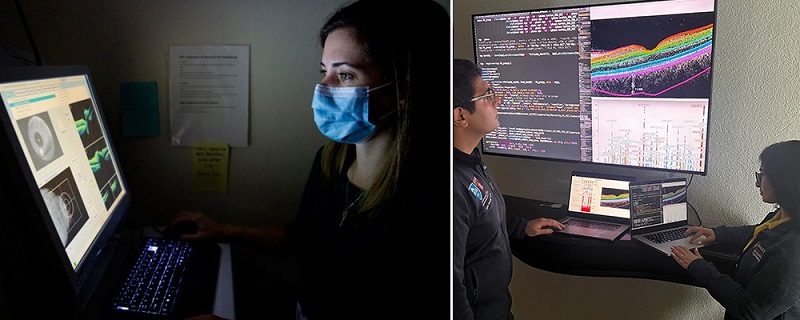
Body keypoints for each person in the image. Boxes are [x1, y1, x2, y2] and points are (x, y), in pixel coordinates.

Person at [175, 1, 450, 319]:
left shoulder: (430, 206)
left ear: (404, 89)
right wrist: (225, 231)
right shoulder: (330, 161)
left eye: (345, 75)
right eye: (325, 71)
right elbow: (307, 238)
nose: (323, 88)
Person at [452, 58, 565, 320]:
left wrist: (520, 227)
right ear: (460, 116)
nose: (498, 100)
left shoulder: (471, 161)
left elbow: (480, 217)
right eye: (488, 94)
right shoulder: (454, 184)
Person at [671, 140, 800, 319]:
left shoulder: (794, 253)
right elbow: (759, 232)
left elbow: (748, 309)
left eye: (761, 175)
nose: (757, 184)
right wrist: (717, 234)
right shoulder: (783, 216)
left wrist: (698, 267)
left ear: (782, 180)